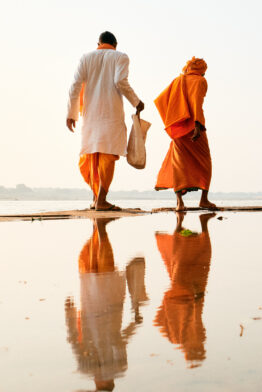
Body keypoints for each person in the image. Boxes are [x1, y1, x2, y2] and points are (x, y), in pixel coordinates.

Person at [65, 218, 147, 391]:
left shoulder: (116, 367)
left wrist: (134, 323)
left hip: (108, 303)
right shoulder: (88, 367)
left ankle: (99, 228)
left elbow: (120, 340)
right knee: (93, 263)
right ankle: (99, 227)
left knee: (100, 262)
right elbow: (74, 338)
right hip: (96, 304)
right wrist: (69, 312)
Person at [66, 31, 144, 211]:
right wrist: (137, 102)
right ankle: (101, 200)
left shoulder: (86, 57)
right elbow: (120, 81)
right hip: (111, 115)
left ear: (98, 43)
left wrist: (71, 114)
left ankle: (96, 199)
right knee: (107, 157)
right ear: (115, 44)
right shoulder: (120, 57)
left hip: (90, 116)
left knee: (93, 156)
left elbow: (75, 85)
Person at [155, 57, 216, 211]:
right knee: (205, 162)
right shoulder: (200, 81)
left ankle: (179, 203)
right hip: (194, 127)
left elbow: (161, 100)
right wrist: (196, 125)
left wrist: (172, 120)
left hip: (178, 129)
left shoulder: (178, 80)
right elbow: (197, 102)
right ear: (202, 70)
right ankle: (204, 200)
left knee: (178, 164)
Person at [155, 212, 215, 367]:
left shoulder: (177, 338)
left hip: (184, 296)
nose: (201, 345)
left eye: (198, 349)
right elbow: (197, 318)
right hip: (190, 295)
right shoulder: (189, 338)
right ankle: (196, 227)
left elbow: (162, 322)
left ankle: (183, 227)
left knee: (183, 263)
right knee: (191, 261)